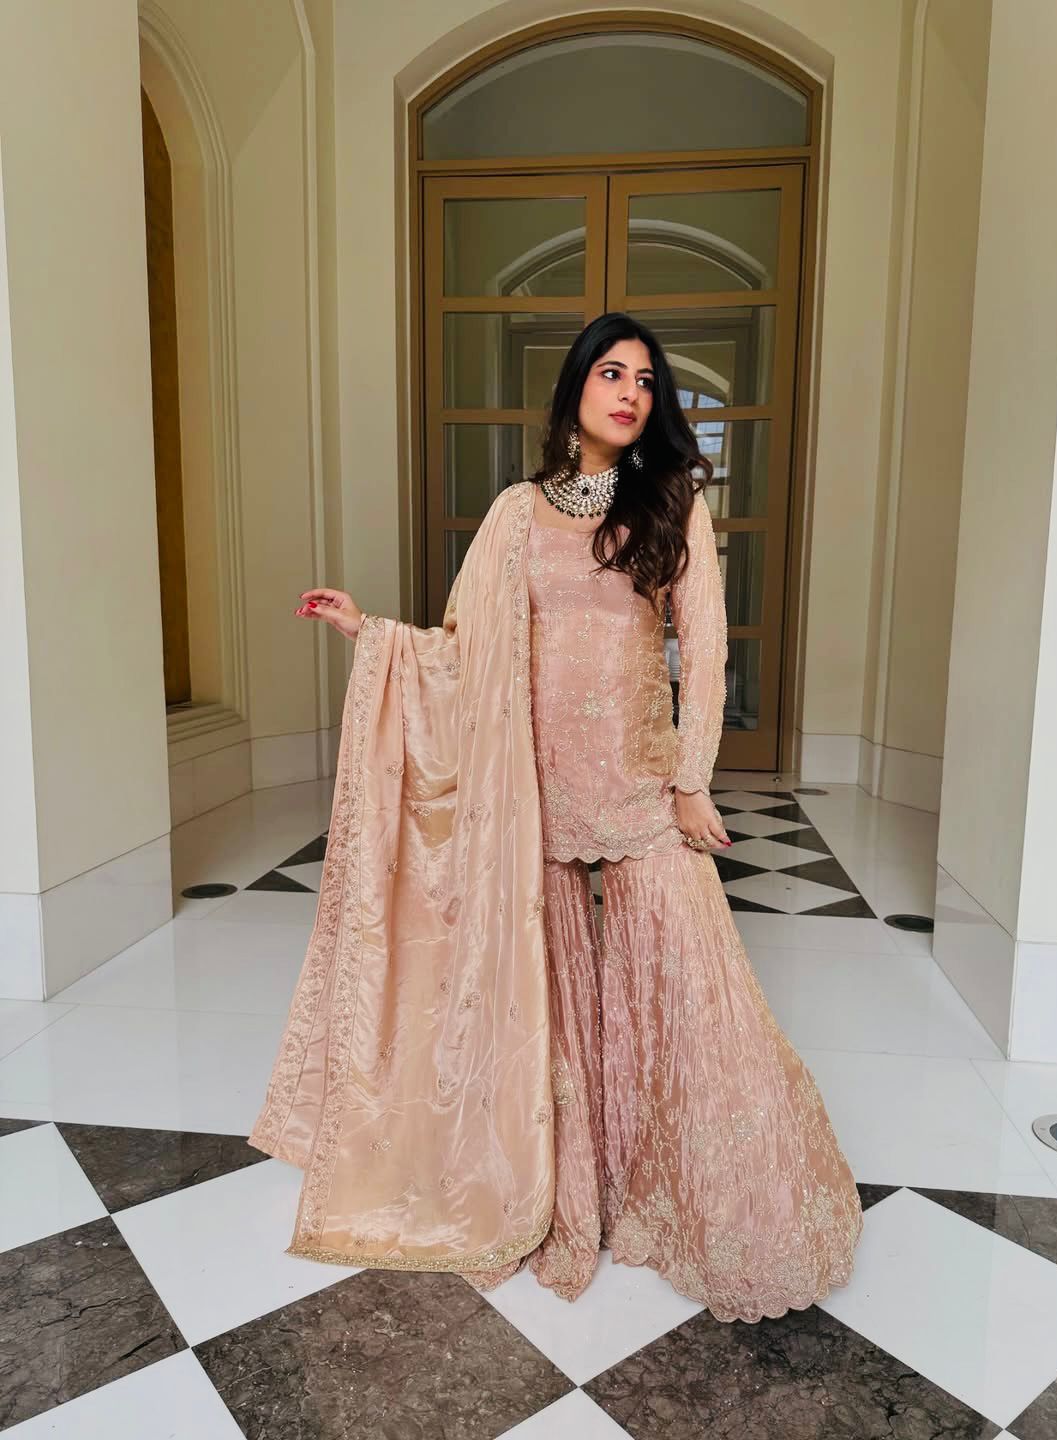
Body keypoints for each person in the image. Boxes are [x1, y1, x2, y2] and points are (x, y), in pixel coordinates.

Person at [248, 312, 863, 1323]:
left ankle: (706, 1197)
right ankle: (576, 1186)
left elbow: (706, 648)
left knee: (691, 992)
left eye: (647, 381)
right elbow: (465, 648)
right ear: (576, 389)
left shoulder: (674, 503)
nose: (630, 393)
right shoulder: (514, 514)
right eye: (611, 373)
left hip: (640, 785)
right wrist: (372, 633)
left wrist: (692, 779)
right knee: (554, 1005)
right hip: (532, 791)